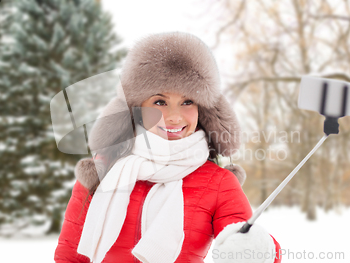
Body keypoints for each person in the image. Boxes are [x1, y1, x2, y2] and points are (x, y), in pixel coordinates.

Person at [54, 31, 282, 263]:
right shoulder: (103, 172)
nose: (174, 117)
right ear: (137, 108)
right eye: (160, 102)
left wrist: (252, 249)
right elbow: (69, 257)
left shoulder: (219, 183)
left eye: (187, 102)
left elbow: (249, 242)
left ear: (203, 109)